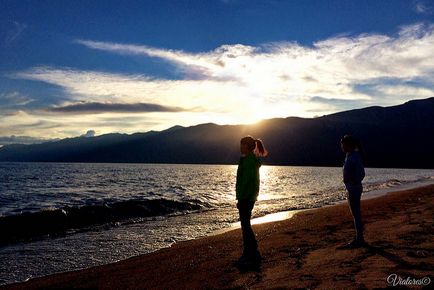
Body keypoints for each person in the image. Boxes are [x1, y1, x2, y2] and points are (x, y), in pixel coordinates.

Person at [235, 136, 268, 268]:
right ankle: (251, 252)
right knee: (246, 225)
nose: (240, 147)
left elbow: (247, 182)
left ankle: (250, 253)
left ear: (247, 147)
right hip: (248, 197)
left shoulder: (248, 161)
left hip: (246, 198)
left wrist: (241, 198)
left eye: (242, 145)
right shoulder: (248, 160)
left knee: (245, 226)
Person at [339, 134, 366, 249]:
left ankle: (359, 239)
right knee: (356, 214)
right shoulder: (350, 156)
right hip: (352, 187)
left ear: (348, 145)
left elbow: (361, 173)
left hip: (354, 188)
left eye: (343, 144)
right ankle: (359, 238)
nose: (341, 147)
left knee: (356, 214)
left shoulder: (354, 157)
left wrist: (353, 182)